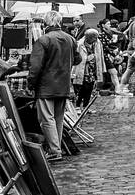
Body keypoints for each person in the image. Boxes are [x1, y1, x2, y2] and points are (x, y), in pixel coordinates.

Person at [27, 10, 81, 162]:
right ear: (59, 22)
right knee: (57, 118)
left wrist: (31, 83)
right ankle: (56, 148)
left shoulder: (43, 40)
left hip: (46, 85)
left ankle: (54, 150)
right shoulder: (70, 38)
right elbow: (78, 59)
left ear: (45, 23)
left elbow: (35, 66)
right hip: (63, 84)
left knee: (47, 119)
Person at [74, 28, 105, 108]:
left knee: (89, 89)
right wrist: (87, 59)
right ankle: (77, 106)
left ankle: (86, 107)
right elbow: (76, 58)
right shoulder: (79, 44)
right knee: (82, 89)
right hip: (83, 71)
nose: (96, 39)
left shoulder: (98, 43)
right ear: (89, 37)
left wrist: (102, 69)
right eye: (95, 37)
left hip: (93, 70)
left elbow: (101, 56)